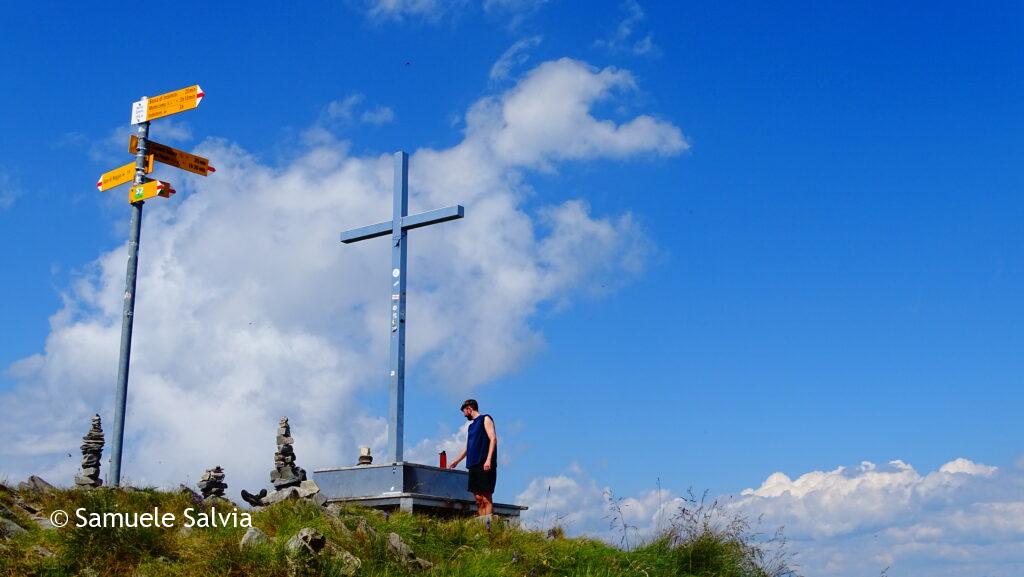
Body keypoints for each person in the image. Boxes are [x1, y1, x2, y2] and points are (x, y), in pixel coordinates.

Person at [448, 399, 497, 518]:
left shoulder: (485, 419)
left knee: (486, 497)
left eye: (464, 412)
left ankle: (488, 525)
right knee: (478, 499)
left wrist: (488, 459)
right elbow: (468, 446)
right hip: (473, 464)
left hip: (484, 463)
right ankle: (481, 523)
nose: (464, 415)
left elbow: (493, 438)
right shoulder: (471, 427)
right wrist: (457, 460)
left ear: (469, 409)